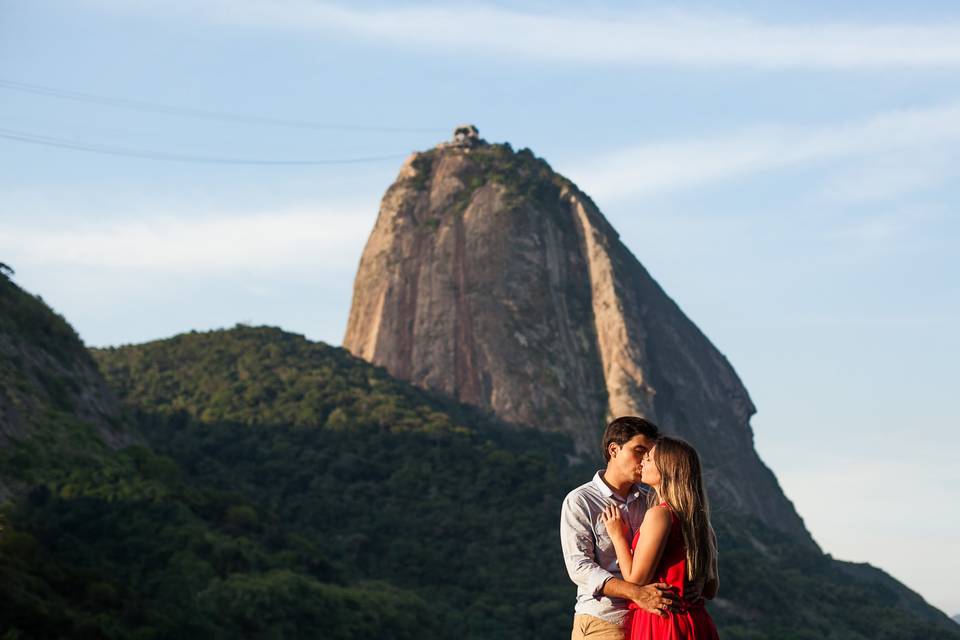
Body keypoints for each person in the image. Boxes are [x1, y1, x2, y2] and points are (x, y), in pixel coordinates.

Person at [560, 417, 679, 640]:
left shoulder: (651, 501)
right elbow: (579, 567)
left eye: (650, 455)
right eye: (639, 451)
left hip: (651, 621)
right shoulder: (581, 501)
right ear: (614, 449)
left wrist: (695, 584)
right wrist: (636, 593)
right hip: (605, 621)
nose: (644, 461)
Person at [602, 436, 719, 640]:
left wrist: (617, 536)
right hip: (697, 622)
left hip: (664, 622)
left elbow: (635, 579)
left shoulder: (660, 514)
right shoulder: (701, 523)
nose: (642, 462)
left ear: (666, 468)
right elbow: (710, 589)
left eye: (648, 459)